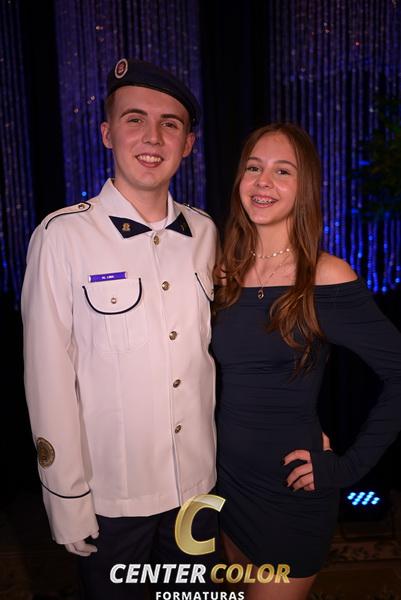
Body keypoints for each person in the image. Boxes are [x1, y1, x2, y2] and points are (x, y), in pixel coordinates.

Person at [21, 58, 218, 599]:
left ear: (188, 144)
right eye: (135, 119)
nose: (152, 137)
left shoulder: (206, 234)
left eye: (170, 124)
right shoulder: (62, 236)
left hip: (198, 491)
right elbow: (48, 378)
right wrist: (66, 497)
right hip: (112, 499)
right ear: (108, 133)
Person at [211, 122, 401, 600]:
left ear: (305, 187)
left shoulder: (325, 276)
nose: (263, 182)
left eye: (282, 171)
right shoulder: (221, 270)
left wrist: (347, 468)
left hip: (288, 491)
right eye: (254, 168)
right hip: (222, 485)